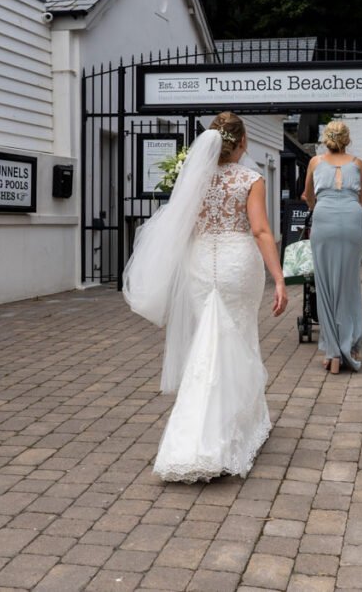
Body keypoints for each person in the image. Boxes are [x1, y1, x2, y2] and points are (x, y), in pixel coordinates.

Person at [123, 112, 288, 482]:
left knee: (207, 341)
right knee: (238, 336)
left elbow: (182, 227)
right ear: (242, 142)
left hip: (200, 262)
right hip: (236, 262)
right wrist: (279, 278)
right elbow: (261, 230)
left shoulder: (193, 178)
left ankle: (207, 429)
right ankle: (227, 430)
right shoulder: (251, 178)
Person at [303, 121, 362, 374]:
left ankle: (333, 352)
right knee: (349, 283)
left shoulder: (315, 163)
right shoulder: (358, 163)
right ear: (348, 139)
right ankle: (349, 345)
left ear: (325, 139)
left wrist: (317, 206)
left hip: (324, 219)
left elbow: (308, 196)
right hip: (352, 219)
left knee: (325, 283)